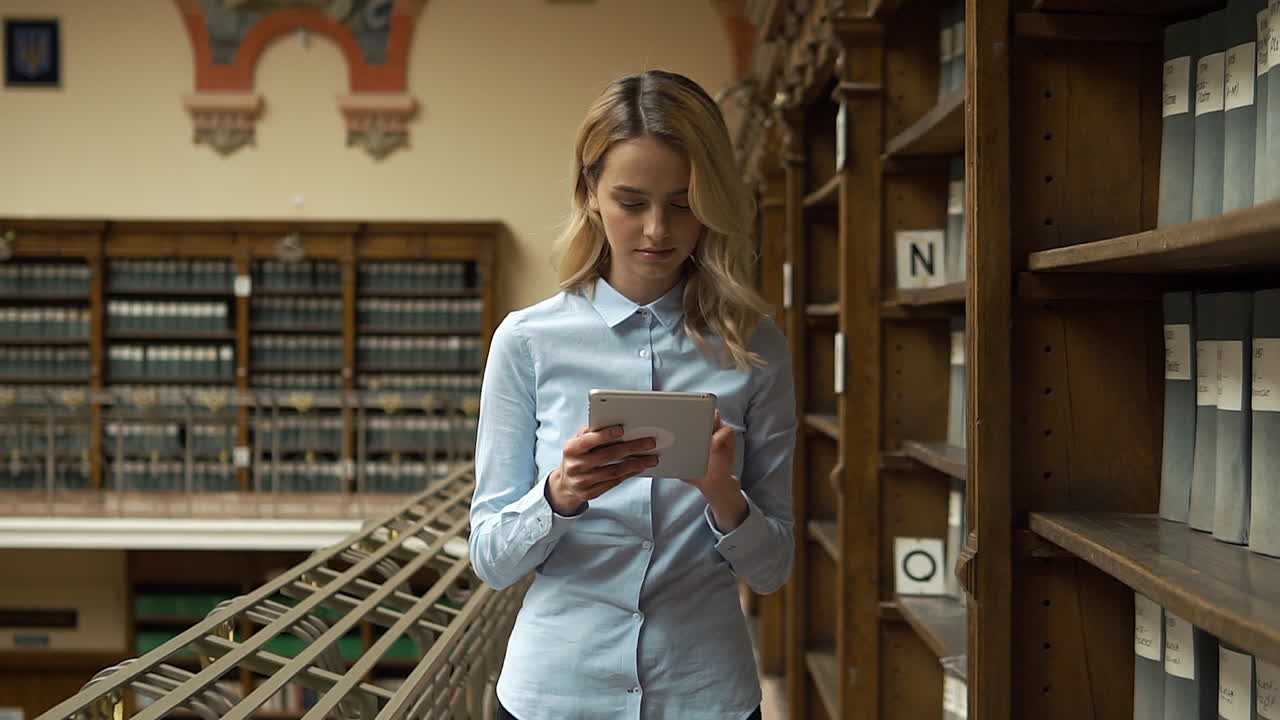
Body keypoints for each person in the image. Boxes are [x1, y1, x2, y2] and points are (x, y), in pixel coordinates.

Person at [468, 69, 797, 720]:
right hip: (553, 695)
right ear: (589, 192)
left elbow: (773, 570)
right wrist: (559, 495)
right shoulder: (527, 343)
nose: (656, 229)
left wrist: (722, 494)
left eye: (682, 202)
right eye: (631, 200)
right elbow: (490, 560)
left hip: (705, 695)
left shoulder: (756, 348)